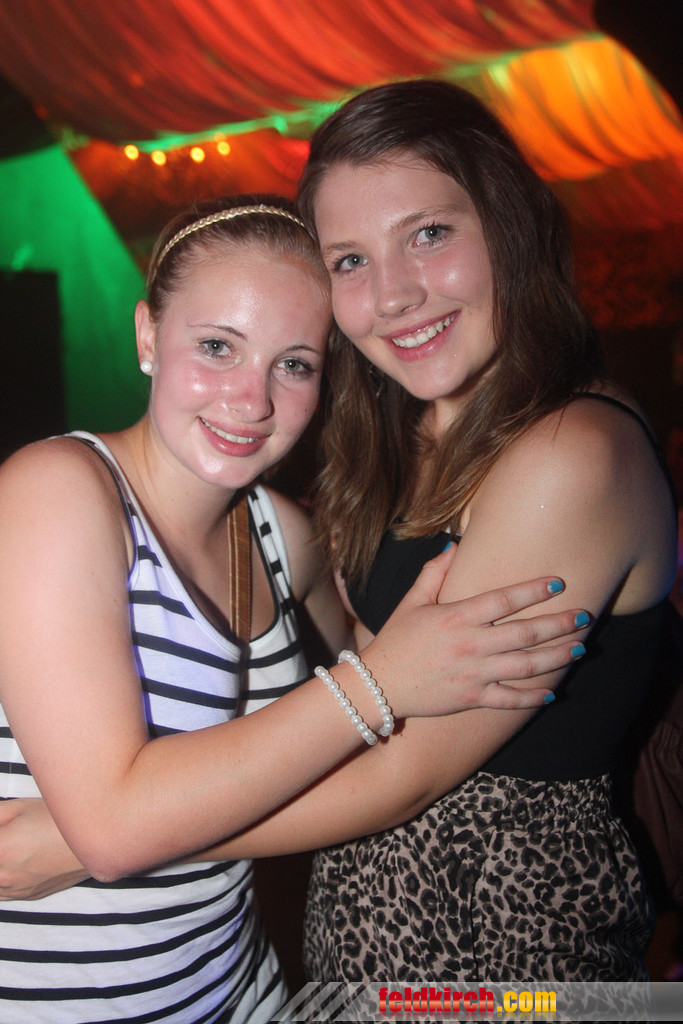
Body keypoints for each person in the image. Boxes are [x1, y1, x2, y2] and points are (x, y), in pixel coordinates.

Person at [0, 193, 587, 1021]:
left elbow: (375, 714)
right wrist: (380, 681)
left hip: (239, 991)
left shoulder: (287, 538)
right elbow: (111, 829)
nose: (252, 401)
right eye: (216, 346)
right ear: (147, 336)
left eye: (295, 364)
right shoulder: (58, 492)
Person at [289, 79, 678, 983]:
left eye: (428, 233)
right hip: (363, 954)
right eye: (348, 260)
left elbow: (403, 773)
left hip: (503, 971)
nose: (392, 294)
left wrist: (118, 835)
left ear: (510, 226)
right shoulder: (402, 436)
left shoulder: (569, 453)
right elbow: (373, 665)